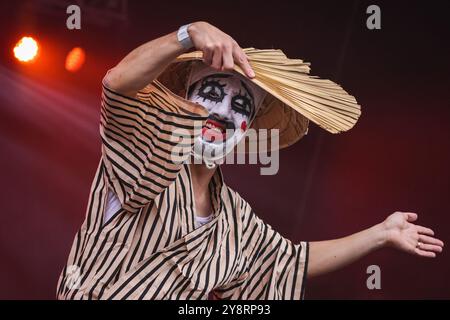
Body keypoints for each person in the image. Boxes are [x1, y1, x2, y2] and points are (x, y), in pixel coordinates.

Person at [57, 21, 444, 300]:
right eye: (211, 93)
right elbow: (118, 83)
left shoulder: (234, 218)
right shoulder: (146, 151)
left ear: (247, 128)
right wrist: (187, 34)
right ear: (186, 97)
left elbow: (288, 261)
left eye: (240, 106)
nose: (224, 112)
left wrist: (381, 233)